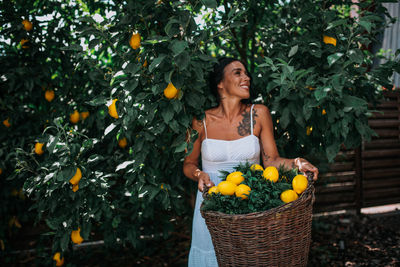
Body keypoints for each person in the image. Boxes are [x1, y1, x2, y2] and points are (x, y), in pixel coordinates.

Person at [183, 57, 319, 267]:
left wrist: (297, 162)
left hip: (248, 205)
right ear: (220, 83)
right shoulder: (201, 121)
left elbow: (271, 161)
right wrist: (199, 175)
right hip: (211, 206)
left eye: (246, 73)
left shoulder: (259, 114)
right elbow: (188, 164)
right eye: (237, 73)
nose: (246, 77)